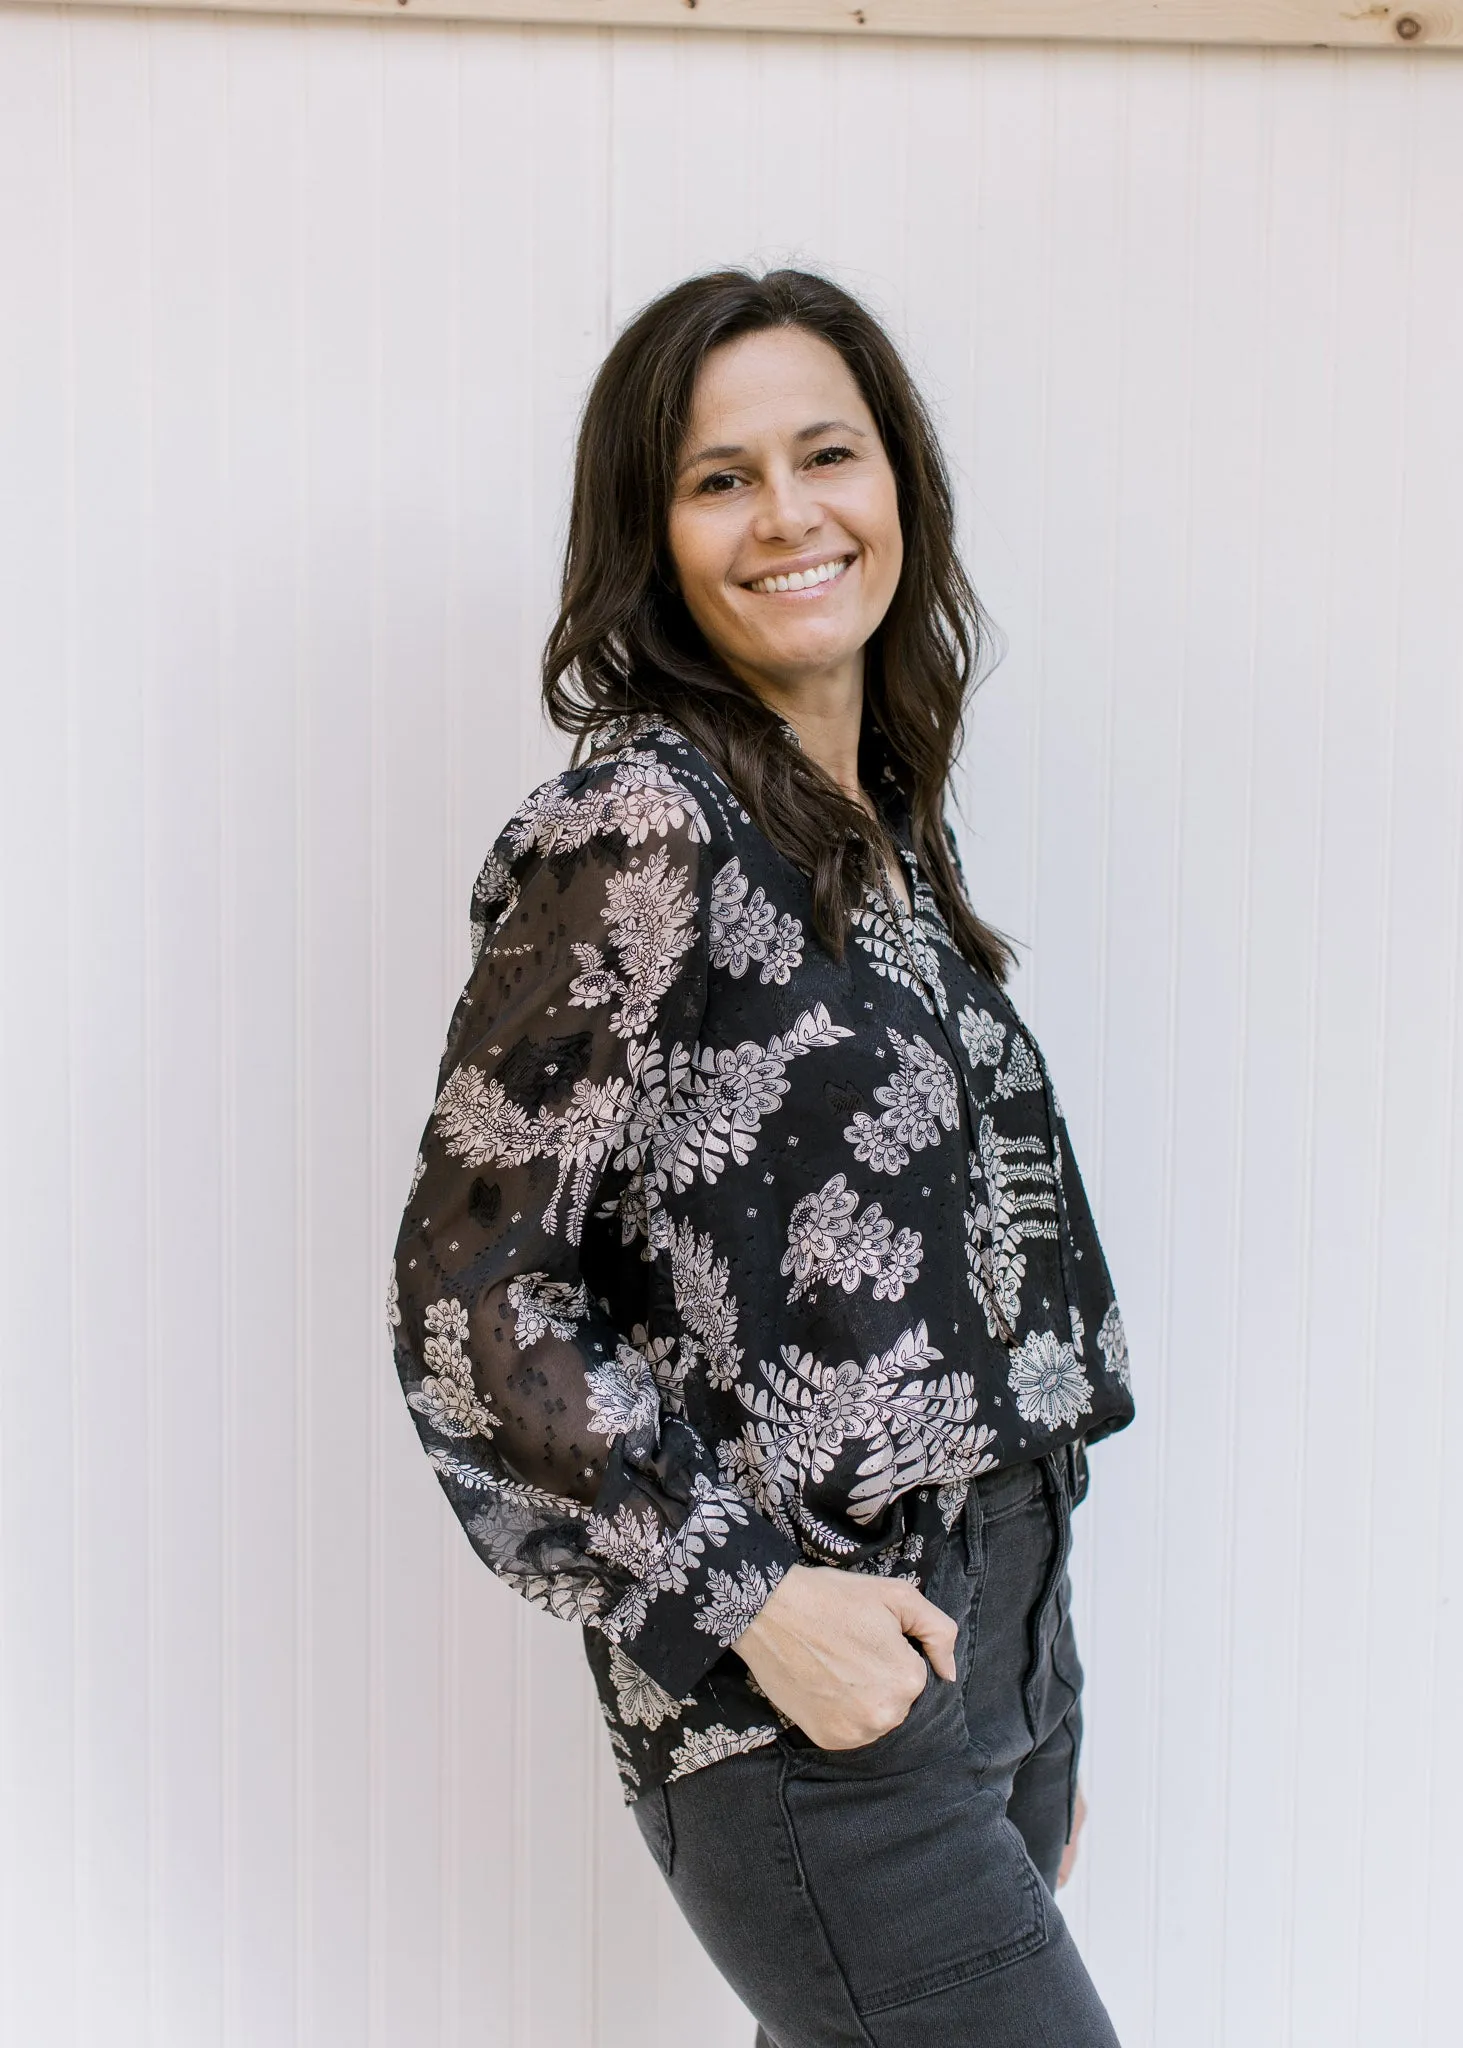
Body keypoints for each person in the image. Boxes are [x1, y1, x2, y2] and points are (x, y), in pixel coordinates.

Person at [387, 267, 1135, 2047]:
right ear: (648, 537)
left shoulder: (872, 842)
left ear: (900, 490)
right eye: (720, 477)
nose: (789, 514)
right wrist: (754, 1596)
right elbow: (473, 1289)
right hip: (804, 1697)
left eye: (828, 454)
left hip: (989, 1655)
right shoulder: (640, 820)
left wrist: (1040, 1704)